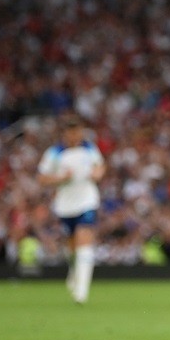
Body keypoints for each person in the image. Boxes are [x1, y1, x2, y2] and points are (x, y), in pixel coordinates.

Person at [37, 115, 106, 304]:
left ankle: (82, 291)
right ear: (65, 133)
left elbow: (100, 166)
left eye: (78, 131)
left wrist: (97, 174)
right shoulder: (55, 153)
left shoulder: (89, 149)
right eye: (72, 131)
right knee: (71, 247)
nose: (75, 135)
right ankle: (74, 271)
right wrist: (59, 179)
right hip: (66, 204)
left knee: (85, 240)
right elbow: (42, 178)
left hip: (87, 200)